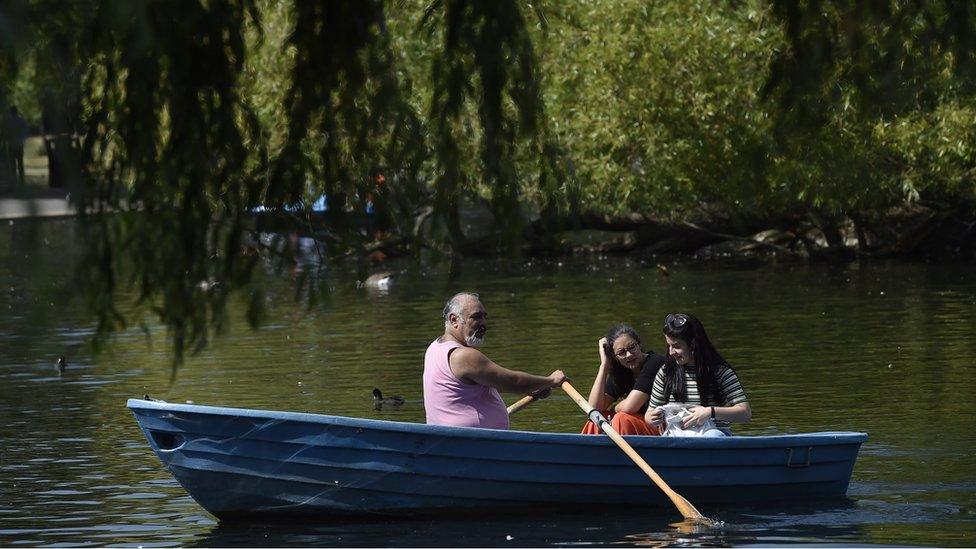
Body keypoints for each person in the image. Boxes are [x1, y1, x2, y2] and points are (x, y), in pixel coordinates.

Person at [423, 292, 566, 429]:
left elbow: (466, 390)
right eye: (476, 317)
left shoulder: (434, 348)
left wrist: (533, 387)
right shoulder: (463, 356)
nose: (483, 323)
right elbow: (512, 382)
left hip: (451, 442)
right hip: (472, 442)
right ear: (454, 320)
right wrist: (551, 381)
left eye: (484, 317)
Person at [646, 313, 751, 436]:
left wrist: (709, 413)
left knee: (712, 437)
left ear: (693, 344)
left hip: (714, 436)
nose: (671, 352)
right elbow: (649, 413)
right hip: (677, 435)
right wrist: (653, 418)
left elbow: (745, 413)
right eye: (669, 345)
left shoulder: (720, 372)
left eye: (676, 346)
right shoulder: (666, 372)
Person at [581, 324, 667, 435]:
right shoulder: (621, 372)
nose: (629, 355)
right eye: (621, 353)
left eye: (632, 347)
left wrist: (615, 408)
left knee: (621, 419)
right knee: (596, 419)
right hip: (641, 426)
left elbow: (630, 406)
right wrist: (604, 365)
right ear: (614, 356)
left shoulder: (655, 362)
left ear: (639, 344)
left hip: (662, 428)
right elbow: (593, 408)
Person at [2, 106, 29, 186]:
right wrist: (22, 138)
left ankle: (15, 181)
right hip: (19, 144)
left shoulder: (9, 122)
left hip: (12, 144)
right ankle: (21, 180)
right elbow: (26, 131)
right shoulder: (21, 121)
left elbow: (5, 133)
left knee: (13, 163)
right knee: (20, 163)